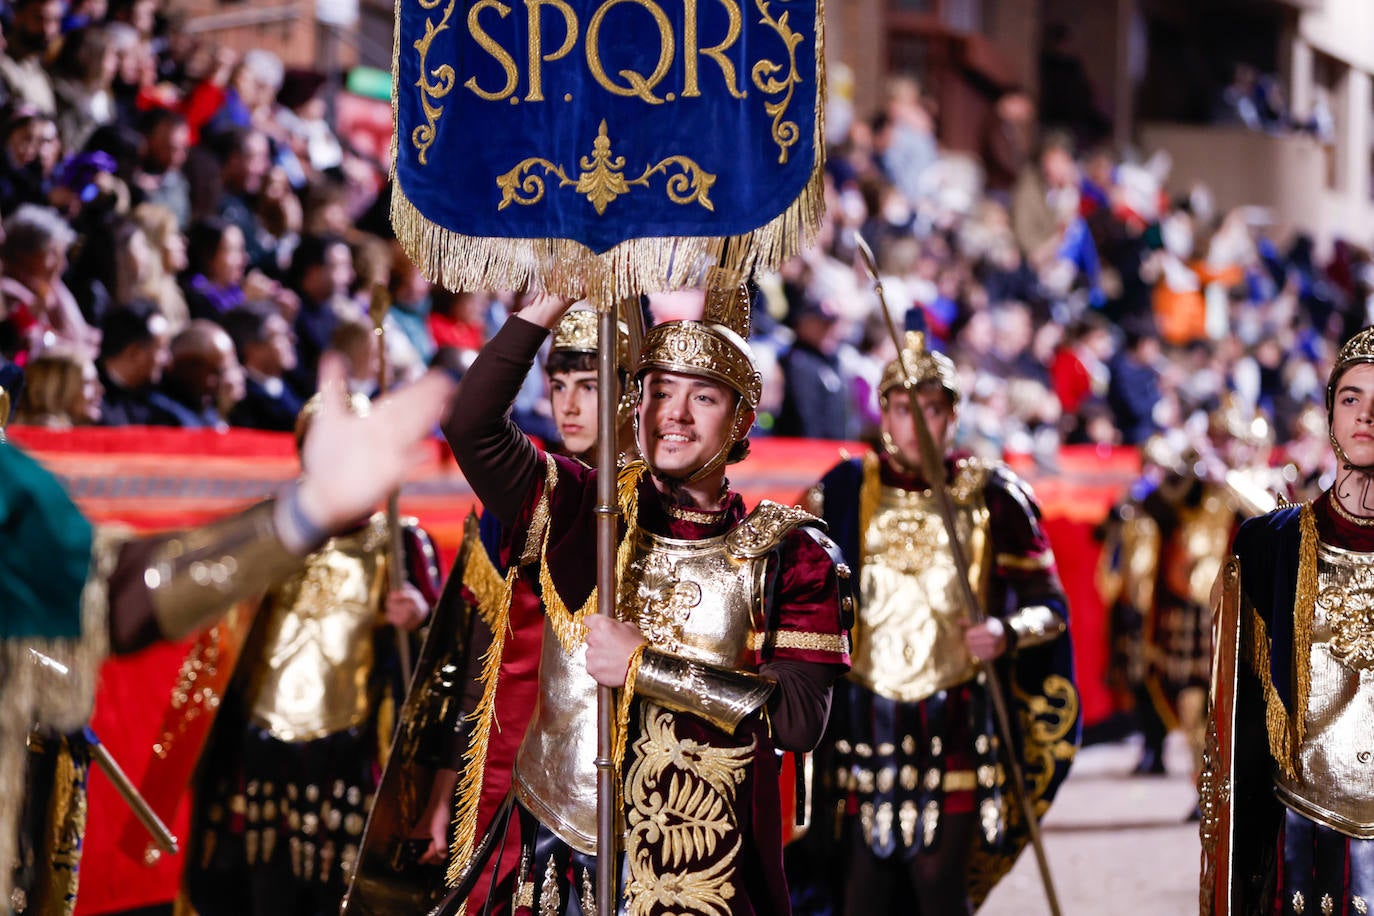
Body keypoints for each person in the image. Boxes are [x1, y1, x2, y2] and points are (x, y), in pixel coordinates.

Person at [436, 276, 851, 915]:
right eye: (660, 392)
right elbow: (470, 426)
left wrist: (644, 668)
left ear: (741, 419)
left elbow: (797, 722)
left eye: (703, 397)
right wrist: (550, 300)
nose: (675, 415)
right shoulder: (586, 512)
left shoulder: (790, 555)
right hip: (556, 851)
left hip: (700, 868)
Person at [0, 356, 456, 913]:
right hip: (264, 734)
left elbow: (109, 589)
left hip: (350, 738)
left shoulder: (399, 541)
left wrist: (309, 514)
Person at [796, 329, 1079, 915]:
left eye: (931, 409)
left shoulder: (994, 495)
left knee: (940, 898)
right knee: (860, 901)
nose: (918, 424)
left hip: (953, 724)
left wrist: (1005, 632)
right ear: (883, 415)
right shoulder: (841, 490)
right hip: (859, 731)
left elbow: (1051, 607)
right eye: (904, 409)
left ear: (953, 415)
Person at [394, 308, 628, 911]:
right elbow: (478, 667)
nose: (569, 405)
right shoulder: (528, 500)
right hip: (527, 793)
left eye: (590, 386)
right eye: (558, 386)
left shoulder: (666, 506)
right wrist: (446, 791)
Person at [184, 391, 442, 916]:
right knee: (259, 888)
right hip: (261, 744)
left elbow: (444, 655)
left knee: (337, 895)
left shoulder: (398, 541)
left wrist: (420, 615)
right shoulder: (268, 527)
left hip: (350, 751)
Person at [1200, 327, 1374, 914]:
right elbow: (1241, 726)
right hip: (1300, 831)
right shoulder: (1268, 544)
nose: (1366, 416)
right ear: (1330, 414)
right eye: (1351, 398)